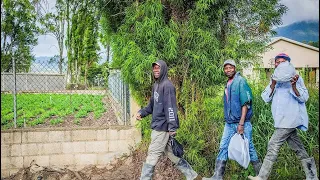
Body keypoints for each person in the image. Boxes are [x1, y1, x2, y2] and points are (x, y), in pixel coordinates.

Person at [248, 53, 318, 180]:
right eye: (276, 61)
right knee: (299, 150)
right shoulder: (274, 79)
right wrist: (273, 84)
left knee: (272, 146)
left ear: (288, 64)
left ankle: (262, 177)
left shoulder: (296, 78)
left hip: (290, 120)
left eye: (281, 61)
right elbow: (265, 98)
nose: (278, 63)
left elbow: (304, 98)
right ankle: (312, 177)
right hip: (280, 121)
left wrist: (294, 86)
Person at [137, 60, 200, 180]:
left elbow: (170, 108)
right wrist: (142, 112)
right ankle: (193, 176)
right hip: (158, 125)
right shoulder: (156, 85)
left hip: (162, 127)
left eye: (158, 68)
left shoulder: (168, 86)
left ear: (164, 69)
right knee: (172, 154)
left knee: (152, 154)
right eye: (154, 68)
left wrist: (172, 127)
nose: (156, 70)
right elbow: (151, 105)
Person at [203, 59, 261, 180]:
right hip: (229, 124)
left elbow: (245, 104)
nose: (228, 70)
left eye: (230, 67)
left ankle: (261, 175)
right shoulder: (228, 83)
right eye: (226, 68)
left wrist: (241, 123)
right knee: (223, 146)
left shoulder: (240, 81)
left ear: (235, 68)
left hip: (242, 123)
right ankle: (217, 176)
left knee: (249, 148)